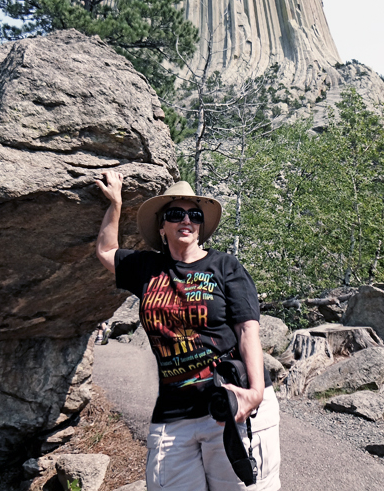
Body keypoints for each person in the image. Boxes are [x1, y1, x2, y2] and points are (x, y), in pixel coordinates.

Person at [95, 170, 281, 491]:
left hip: (231, 404)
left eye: (194, 215)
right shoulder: (147, 268)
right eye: (175, 214)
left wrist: (256, 393)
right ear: (161, 225)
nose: (187, 220)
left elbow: (248, 330)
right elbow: (106, 251)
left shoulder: (225, 266)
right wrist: (115, 203)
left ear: (200, 225)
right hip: (173, 415)